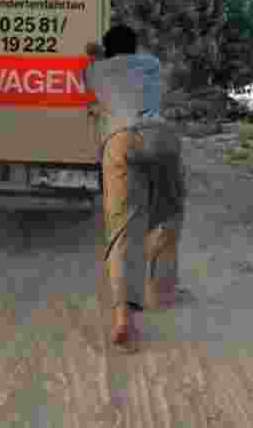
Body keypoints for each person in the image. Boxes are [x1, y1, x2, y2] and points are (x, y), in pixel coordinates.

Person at [83, 24, 187, 351]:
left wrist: (95, 55)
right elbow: (136, 66)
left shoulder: (95, 71)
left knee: (123, 227)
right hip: (162, 136)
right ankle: (161, 290)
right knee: (168, 213)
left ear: (108, 51)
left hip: (122, 139)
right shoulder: (151, 64)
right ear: (136, 46)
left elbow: (96, 69)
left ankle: (123, 317)